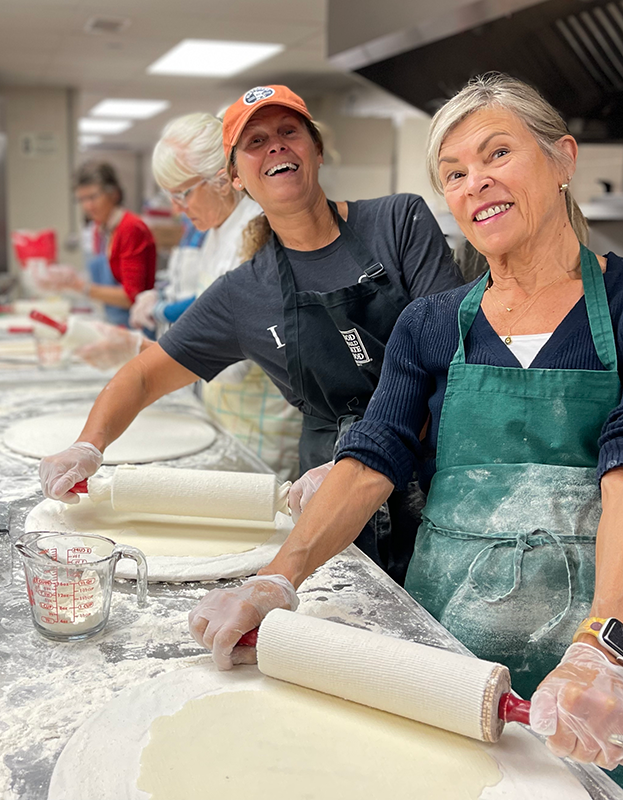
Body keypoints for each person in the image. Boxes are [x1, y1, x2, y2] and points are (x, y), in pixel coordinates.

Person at [188, 74, 623, 775]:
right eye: (454, 173)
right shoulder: (430, 323)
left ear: (565, 159)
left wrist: (605, 642)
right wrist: (276, 579)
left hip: (594, 665)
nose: (474, 183)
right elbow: (374, 454)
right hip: (442, 645)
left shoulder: (622, 310)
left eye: (498, 154)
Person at [38, 85, 463, 580]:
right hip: (325, 493)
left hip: (433, 474)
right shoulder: (243, 291)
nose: (276, 146)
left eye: (289, 132)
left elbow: (450, 357)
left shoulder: (398, 221)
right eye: (255, 142)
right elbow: (144, 377)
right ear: (236, 177)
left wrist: (374, 454)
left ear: (316, 150)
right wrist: (88, 446)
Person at [130, 111, 303, 481]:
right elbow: (208, 310)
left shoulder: (258, 234)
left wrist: (151, 357)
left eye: (182, 194)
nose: (176, 209)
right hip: (225, 416)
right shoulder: (217, 231)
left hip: (262, 428)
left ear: (223, 180)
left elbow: (237, 357)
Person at [38, 162, 156, 327]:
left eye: (93, 197)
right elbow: (103, 282)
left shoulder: (130, 227)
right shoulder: (100, 229)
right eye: (82, 199)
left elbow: (131, 296)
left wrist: (80, 286)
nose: (87, 206)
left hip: (137, 328)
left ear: (113, 194)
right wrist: (71, 278)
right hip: (112, 322)